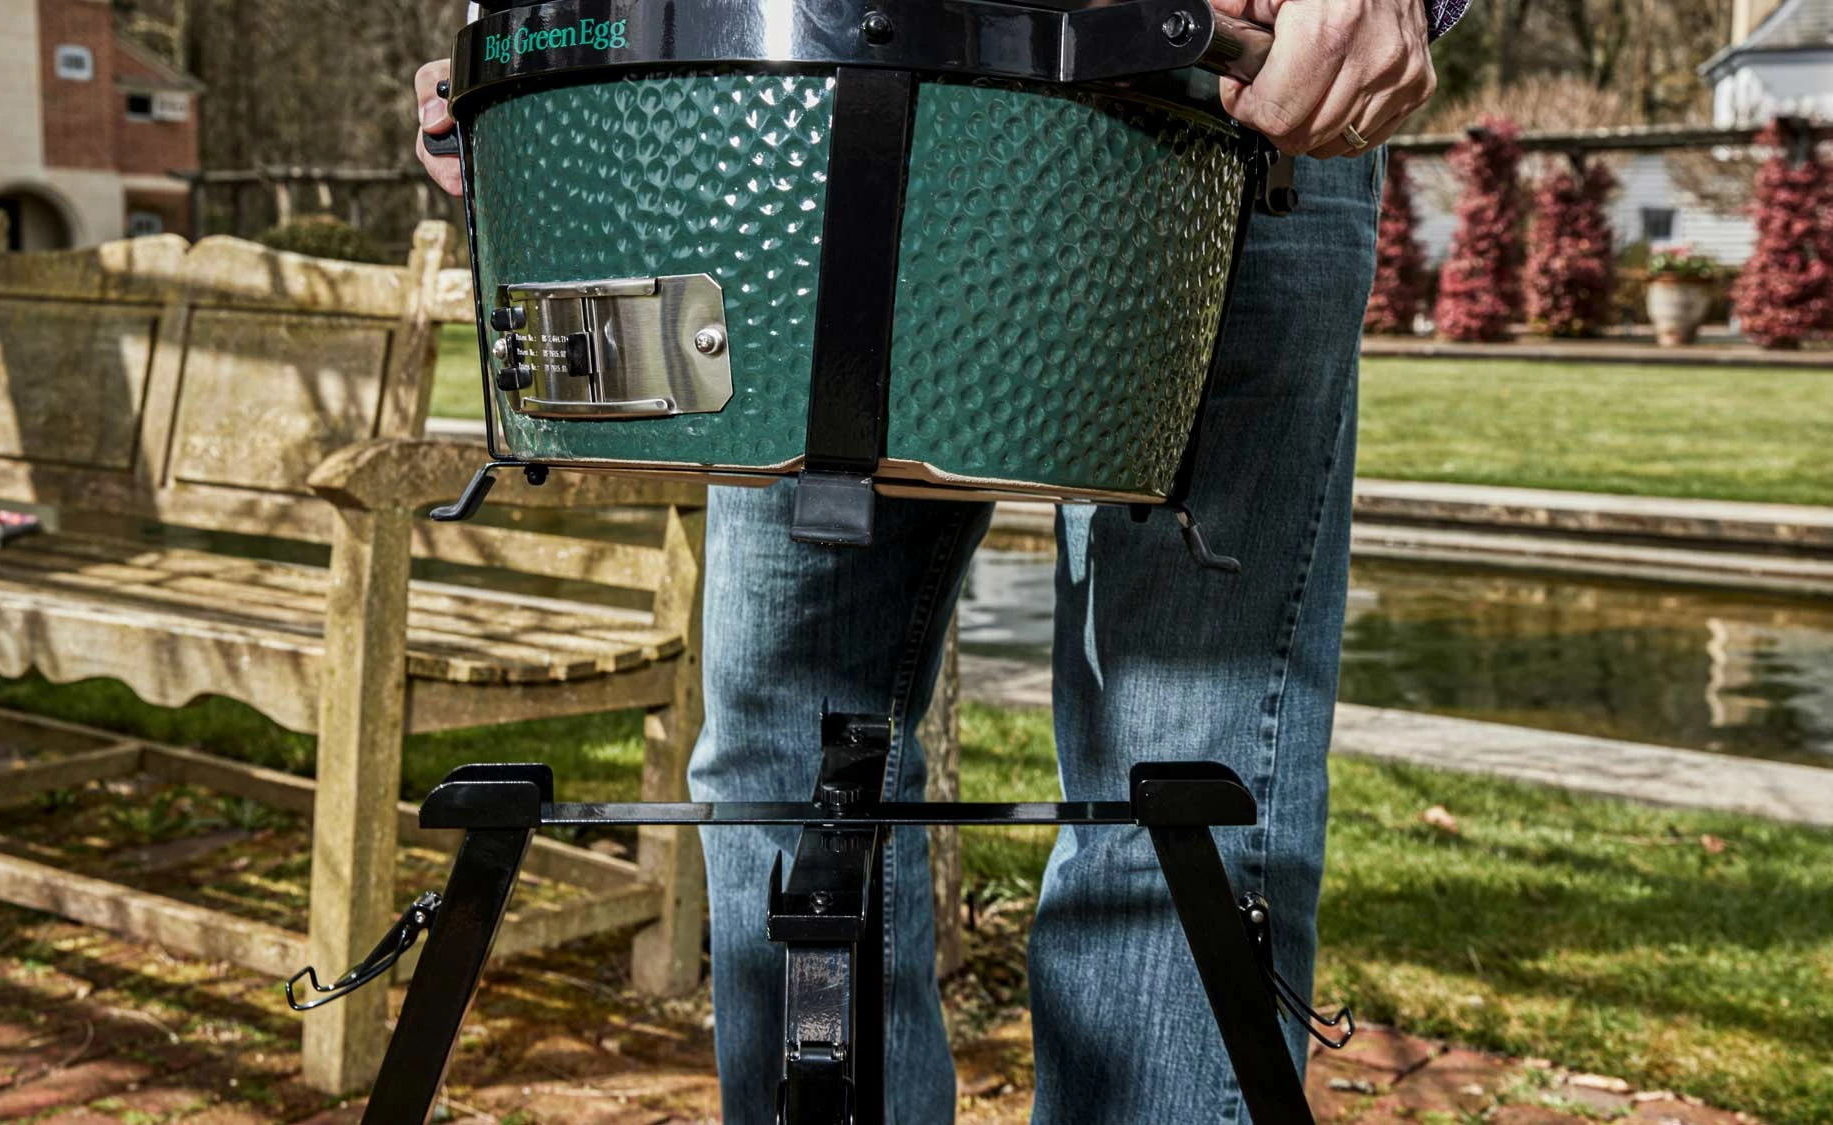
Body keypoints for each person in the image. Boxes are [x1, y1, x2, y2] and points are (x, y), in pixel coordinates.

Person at [415, 2, 1457, 1119]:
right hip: (795, 101)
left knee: (1182, 780)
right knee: (788, 755)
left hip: (1220, 94)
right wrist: (521, 46)